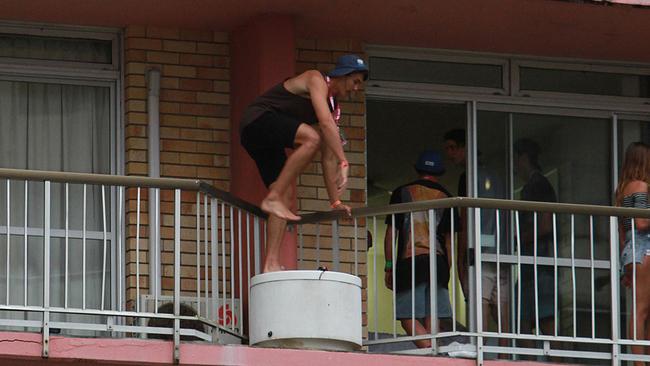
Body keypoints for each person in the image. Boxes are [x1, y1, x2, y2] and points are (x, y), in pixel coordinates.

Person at [240, 55, 368, 273]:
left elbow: (327, 158)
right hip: (257, 120)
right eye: (355, 82)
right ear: (343, 76)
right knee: (311, 138)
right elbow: (325, 125)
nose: (357, 89)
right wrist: (344, 161)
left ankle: (270, 264)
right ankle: (272, 198)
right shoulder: (316, 79)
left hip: (266, 139)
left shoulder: (333, 109)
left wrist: (335, 202)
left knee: (286, 195)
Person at [383, 151, 459, 348]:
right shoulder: (447, 198)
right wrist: (447, 269)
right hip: (439, 262)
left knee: (406, 315)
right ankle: (434, 352)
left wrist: (389, 266)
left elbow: (392, 234)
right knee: (432, 315)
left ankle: (431, 353)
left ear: (417, 169)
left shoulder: (402, 193)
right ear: (440, 171)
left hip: (410, 262)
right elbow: (450, 242)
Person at [443, 129, 509, 337]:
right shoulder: (497, 176)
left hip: (480, 253)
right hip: (503, 251)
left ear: (465, 147)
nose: (449, 154)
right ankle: (505, 357)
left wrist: (462, 259)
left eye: (452, 148)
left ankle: (482, 353)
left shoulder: (469, 177)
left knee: (480, 309)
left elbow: (465, 219)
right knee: (502, 311)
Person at [513, 138, 557, 339]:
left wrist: (519, 239)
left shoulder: (537, 184)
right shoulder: (534, 185)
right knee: (522, 319)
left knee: (545, 322)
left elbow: (545, 224)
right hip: (531, 266)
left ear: (523, 157)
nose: (514, 165)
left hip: (540, 265)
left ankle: (556, 361)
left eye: (515, 158)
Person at [615, 142, 650, 365]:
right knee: (642, 309)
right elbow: (641, 221)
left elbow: (623, 229)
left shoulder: (622, 189)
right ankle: (639, 362)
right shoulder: (641, 185)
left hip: (631, 249)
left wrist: (623, 262)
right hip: (643, 247)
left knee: (641, 308)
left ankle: (640, 360)